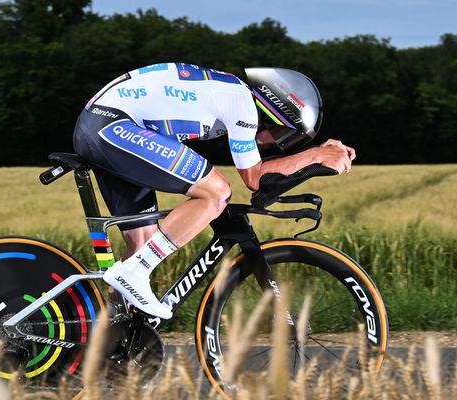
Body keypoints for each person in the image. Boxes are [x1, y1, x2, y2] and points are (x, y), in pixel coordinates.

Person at [72, 63, 355, 319]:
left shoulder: (231, 91)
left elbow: (266, 174)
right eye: (283, 135)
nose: (276, 144)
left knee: (141, 241)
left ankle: (106, 330)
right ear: (274, 110)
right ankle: (135, 272)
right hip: (113, 126)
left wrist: (316, 154)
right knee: (216, 192)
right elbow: (255, 179)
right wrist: (315, 155)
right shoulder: (242, 104)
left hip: (105, 124)